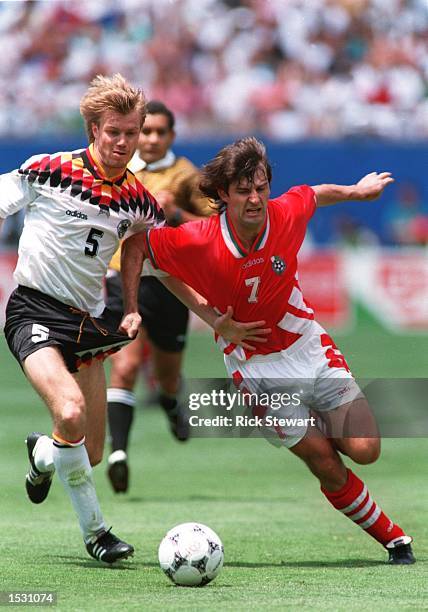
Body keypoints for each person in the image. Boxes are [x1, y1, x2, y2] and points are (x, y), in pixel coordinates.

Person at [120, 137, 415, 565]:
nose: (255, 198)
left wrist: (357, 190)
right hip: (257, 371)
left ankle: (313, 416)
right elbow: (136, 248)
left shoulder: (285, 212)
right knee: (324, 462)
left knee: (366, 448)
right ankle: (394, 539)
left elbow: (314, 194)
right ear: (223, 194)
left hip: (308, 348)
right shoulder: (199, 239)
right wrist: (200, 314)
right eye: (244, 190)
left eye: (261, 187)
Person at [0, 74, 167, 564]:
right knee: (69, 412)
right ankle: (97, 534)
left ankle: (42, 455)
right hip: (32, 309)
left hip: (86, 324)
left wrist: (133, 306)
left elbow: (139, 242)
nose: (121, 142)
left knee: (89, 453)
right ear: (93, 129)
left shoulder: (138, 199)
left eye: (131, 133)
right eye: (112, 131)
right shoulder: (47, 169)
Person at [105, 100, 213, 493]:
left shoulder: (186, 177)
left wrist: (178, 216)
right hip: (121, 277)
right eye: (143, 131)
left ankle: (170, 401)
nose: (149, 139)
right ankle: (118, 453)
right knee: (125, 365)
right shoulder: (115, 171)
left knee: (167, 374)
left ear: (171, 136)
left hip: (169, 283)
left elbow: (217, 228)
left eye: (158, 132)